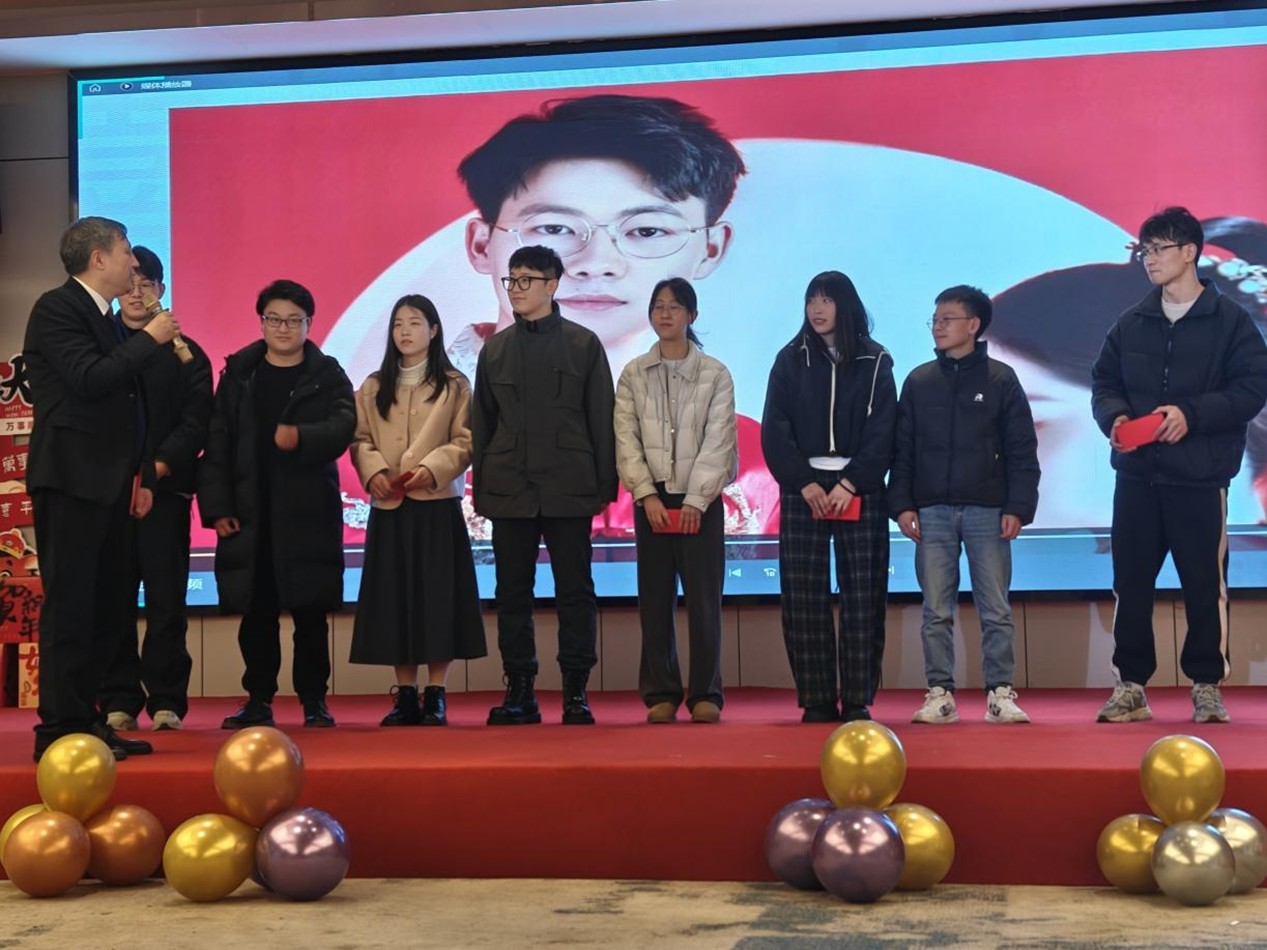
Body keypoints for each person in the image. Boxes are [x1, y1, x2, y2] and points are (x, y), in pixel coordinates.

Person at [1091, 207, 1267, 724]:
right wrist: (1115, 418)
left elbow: (1252, 389)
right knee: (1131, 584)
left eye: (1159, 249)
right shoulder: (1131, 322)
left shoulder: (1230, 321)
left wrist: (1191, 414)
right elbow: (1104, 383)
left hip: (1200, 477)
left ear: (1189, 252)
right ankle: (1130, 686)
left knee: (1204, 587)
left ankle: (1206, 685)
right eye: (1144, 251)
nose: (1149, 259)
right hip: (1137, 477)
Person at [23, 217, 181, 762]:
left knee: (106, 608)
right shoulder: (57, 308)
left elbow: (132, 404)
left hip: (112, 485)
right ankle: (60, 728)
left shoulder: (105, 318)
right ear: (98, 259)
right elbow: (89, 379)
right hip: (71, 481)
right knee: (71, 607)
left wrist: (141, 474)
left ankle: (89, 721)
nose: (134, 264)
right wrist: (150, 339)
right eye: (125, 252)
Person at [198, 279, 356, 729]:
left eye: (293, 320)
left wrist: (301, 437)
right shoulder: (239, 375)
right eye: (274, 319)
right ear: (262, 323)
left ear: (309, 324)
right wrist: (218, 508)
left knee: (310, 614)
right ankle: (258, 699)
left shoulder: (327, 374)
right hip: (252, 512)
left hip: (308, 511)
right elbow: (217, 443)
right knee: (257, 613)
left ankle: (314, 701)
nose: (283, 328)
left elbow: (344, 425)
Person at [472, 245, 617, 725]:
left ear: (552, 285)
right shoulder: (495, 349)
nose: (515, 289)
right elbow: (483, 423)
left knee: (575, 591)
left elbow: (601, 418)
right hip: (509, 487)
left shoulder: (583, 344)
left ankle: (576, 690)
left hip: (568, 486)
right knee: (512, 593)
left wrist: (604, 486)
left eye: (526, 280)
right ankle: (520, 690)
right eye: (511, 279)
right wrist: (484, 489)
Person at [889, 285, 1040, 725]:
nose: (938, 326)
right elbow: (902, 450)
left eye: (947, 319)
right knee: (936, 610)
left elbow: (1022, 450)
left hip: (987, 509)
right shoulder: (919, 381)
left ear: (973, 325)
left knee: (995, 609)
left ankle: (1000, 693)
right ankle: (940, 693)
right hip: (931, 510)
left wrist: (1018, 507)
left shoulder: (1000, 379)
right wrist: (903, 505)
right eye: (935, 319)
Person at [760, 271, 896, 723]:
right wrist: (805, 482)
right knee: (803, 595)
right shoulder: (789, 359)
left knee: (864, 595)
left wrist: (851, 483)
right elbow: (775, 429)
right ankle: (816, 697)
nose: (817, 309)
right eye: (811, 300)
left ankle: (857, 697)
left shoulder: (876, 360)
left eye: (827, 300)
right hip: (805, 489)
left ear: (846, 304)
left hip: (860, 488)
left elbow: (884, 431)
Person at [348, 294, 487, 726]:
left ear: (434, 330)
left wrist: (433, 469)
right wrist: (373, 472)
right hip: (389, 505)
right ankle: (405, 693)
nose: (405, 332)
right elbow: (360, 439)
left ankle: (436, 692)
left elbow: (466, 441)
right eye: (398, 324)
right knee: (395, 598)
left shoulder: (455, 385)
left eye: (414, 323)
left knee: (437, 598)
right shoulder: (373, 386)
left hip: (436, 506)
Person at [99, 246, 213, 732]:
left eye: (146, 284)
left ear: (161, 290)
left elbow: (195, 424)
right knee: (113, 600)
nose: (136, 292)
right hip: (110, 495)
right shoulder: (101, 348)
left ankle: (167, 699)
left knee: (167, 602)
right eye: (129, 283)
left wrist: (155, 471)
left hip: (165, 494)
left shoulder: (188, 354)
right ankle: (118, 698)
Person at [614, 278, 737, 724]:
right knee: (654, 600)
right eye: (658, 307)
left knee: (704, 601)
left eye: (675, 307)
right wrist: (645, 493)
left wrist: (696, 500)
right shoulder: (633, 374)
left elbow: (719, 441)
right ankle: (661, 692)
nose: (665, 314)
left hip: (700, 503)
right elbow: (625, 438)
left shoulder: (715, 374)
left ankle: (706, 693)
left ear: (692, 315)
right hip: (652, 501)